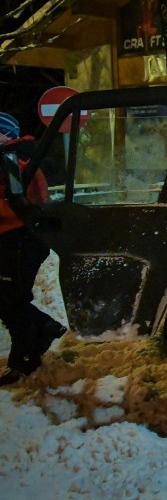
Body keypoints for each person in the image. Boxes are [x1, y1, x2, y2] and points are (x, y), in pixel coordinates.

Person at [0, 113, 66, 385]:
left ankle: (27, 359)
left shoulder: (11, 158)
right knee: (9, 299)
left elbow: (21, 202)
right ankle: (42, 333)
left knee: (10, 299)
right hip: (15, 237)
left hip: (19, 238)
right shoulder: (14, 156)